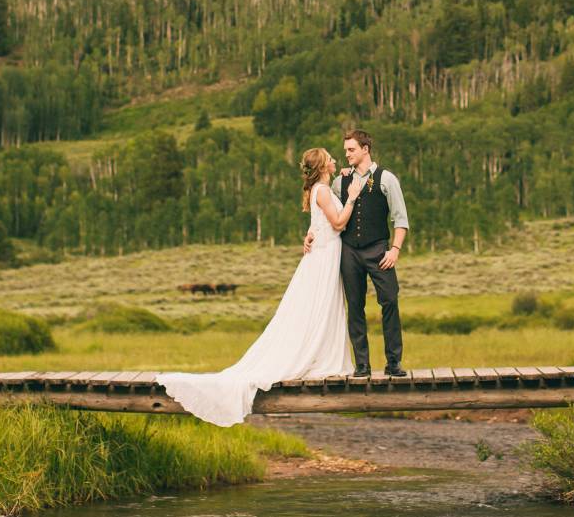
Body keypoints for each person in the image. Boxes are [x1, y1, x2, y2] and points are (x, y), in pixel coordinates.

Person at [156, 147, 360, 426]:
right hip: (325, 257)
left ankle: (318, 354)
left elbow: (321, 223)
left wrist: (313, 231)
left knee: (319, 308)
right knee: (319, 306)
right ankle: (316, 357)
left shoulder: (320, 189)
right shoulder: (322, 191)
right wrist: (351, 199)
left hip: (323, 253)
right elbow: (337, 223)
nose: (336, 159)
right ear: (323, 164)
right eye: (331, 157)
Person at [304, 128, 408, 377]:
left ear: (365, 149)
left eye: (351, 150)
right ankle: (362, 364)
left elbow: (400, 219)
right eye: (345, 150)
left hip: (379, 250)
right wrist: (311, 232)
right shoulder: (340, 181)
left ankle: (393, 362)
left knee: (390, 300)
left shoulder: (387, 179)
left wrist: (395, 249)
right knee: (355, 305)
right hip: (349, 251)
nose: (347, 154)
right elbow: (329, 214)